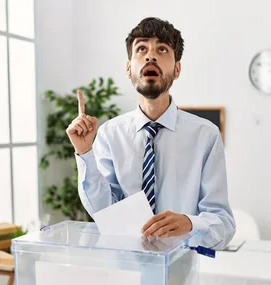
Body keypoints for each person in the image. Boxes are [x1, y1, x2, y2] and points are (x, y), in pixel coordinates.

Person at [67, 17, 235, 249]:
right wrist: (85, 151)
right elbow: (104, 213)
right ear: (128, 68)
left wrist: (189, 223)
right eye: (142, 49)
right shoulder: (109, 134)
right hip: (124, 266)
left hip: (181, 269)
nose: (150, 56)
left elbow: (224, 225)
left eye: (162, 49)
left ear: (177, 69)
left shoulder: (205, 136)